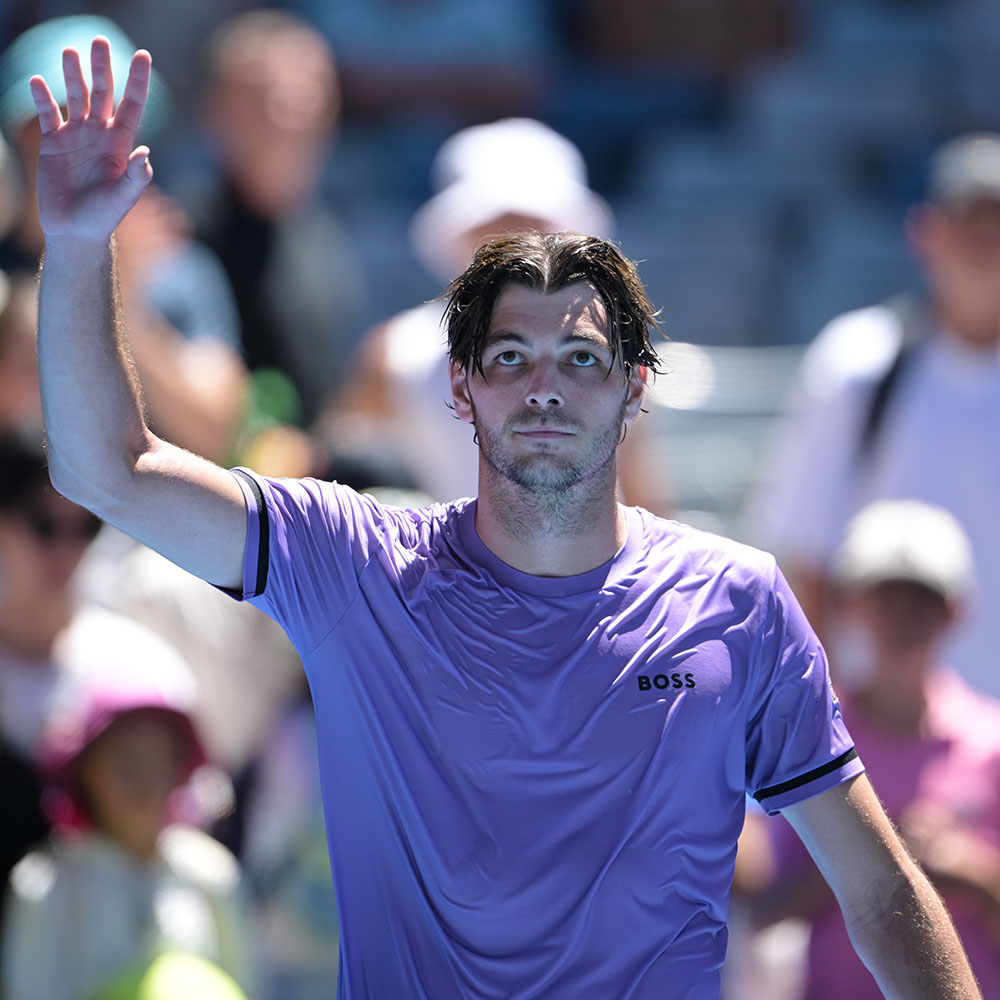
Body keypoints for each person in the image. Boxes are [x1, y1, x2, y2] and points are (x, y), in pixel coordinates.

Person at [30, 39, 982, 998]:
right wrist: (76, 247)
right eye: (509, 358)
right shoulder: (352, 562)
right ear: (460, 390)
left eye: (580, 359)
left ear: (633, 390)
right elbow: (109, 469)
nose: (544, 389)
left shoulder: (740, 600)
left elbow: (879, 892)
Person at [747, 131, 1000, 700]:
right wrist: (834, 721)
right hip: (879, 740)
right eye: (970, 227)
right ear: (925, 234)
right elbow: (802, 558)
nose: (986, 247)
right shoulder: (857, 364)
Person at [748, 500, 1000, 999]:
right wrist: (875, 862)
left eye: (920, 599)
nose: (902, 617)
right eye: (885, 597)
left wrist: (970, 871)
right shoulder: (805, 736)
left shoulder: (992, 743)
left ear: (954, 611)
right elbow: (760, 910)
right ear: (850, 606)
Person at [1, 625, 256, 1000]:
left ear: (178, 768)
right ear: (85, 769)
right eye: (124, 759)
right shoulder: (43, 886)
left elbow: (250, 985)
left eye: (157, 759)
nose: (141, 778)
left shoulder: (213, 877)